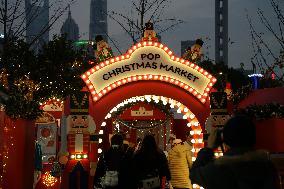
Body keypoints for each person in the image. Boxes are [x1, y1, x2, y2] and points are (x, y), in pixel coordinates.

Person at [190, 114, 280, 189]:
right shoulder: (267, 166)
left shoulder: (218, 169)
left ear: (224, 138)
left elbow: (194, 174)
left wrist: (209, 149)